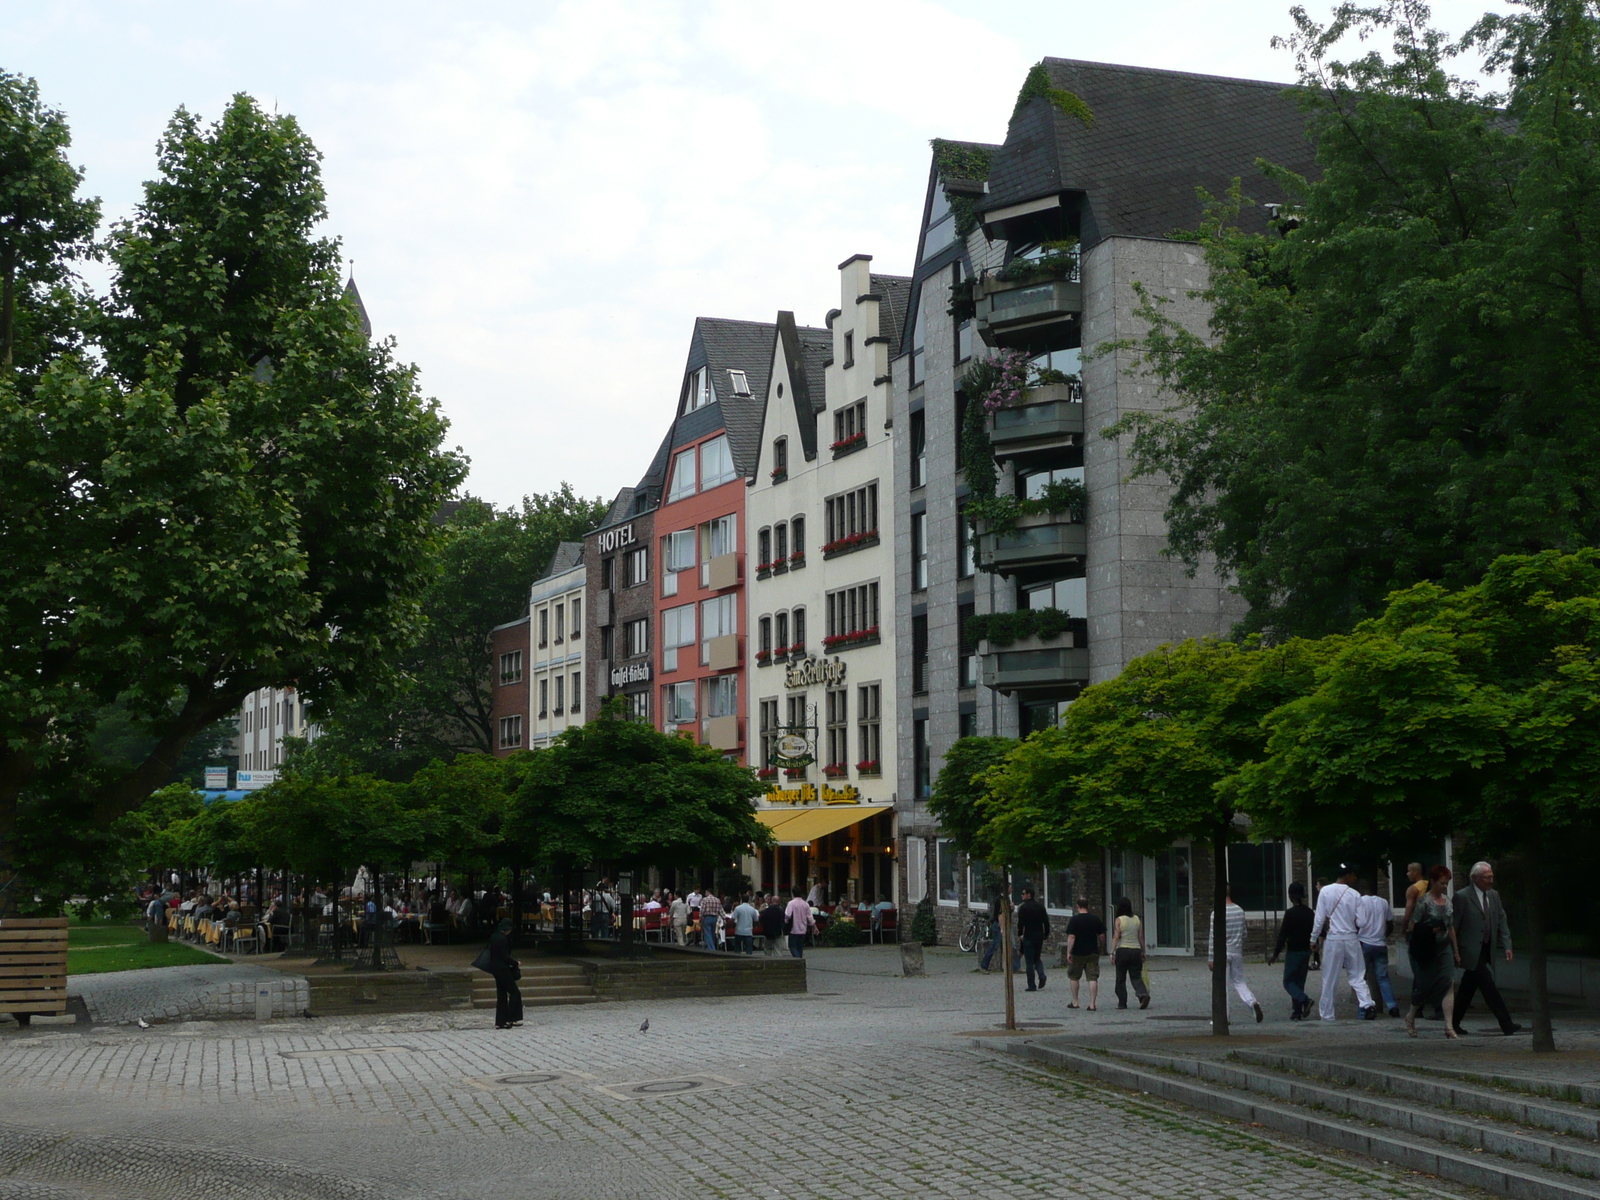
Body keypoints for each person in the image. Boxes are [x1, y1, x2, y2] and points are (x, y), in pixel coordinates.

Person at [1452, 861, 1521, 1036]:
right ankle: (1506, 1024)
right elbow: (1454, 926)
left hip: (1486, 948)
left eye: (1492, 877)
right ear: (1475, 878)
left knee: (1467, 988)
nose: (1491, 880)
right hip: (1470, 950)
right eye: (1487, 877)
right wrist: (1455, 950)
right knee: (1488, 986)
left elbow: (1501, 920)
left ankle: (1453, 1022)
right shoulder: (1462, 897)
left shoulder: (1493, 896)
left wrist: (1506, 945)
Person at [1310, 868, 1375, 1021]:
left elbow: (1319, 919)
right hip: (1351, 938)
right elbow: (1362, 922)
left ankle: (1327, 1014)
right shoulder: (1355, 894)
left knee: (1330, 977)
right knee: (1357, 975)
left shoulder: (1325, 891)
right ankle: (1366, 1004)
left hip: (1334, 938)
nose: (1355, 878)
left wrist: (1313, 939)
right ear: (1348, 876)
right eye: (1353, 875)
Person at [1404, 865, 1461, 1038]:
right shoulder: (1424, 902)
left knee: (1448, 984)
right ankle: (1411, 1016)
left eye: (1447, 883)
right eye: (1442, 883)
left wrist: (1456, 951)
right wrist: (1429, 931)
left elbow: (1451, 927)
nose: (1445, 886)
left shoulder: (1448, 901)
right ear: (1434, 882)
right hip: (1427, 949)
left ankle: (1449, 1026)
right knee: (1423, 985)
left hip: (1444, 948)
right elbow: (1413, 926)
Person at [1210, 884, 1264, 1023]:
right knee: (1239, 982)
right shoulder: (1240, 910)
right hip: (1236, 951)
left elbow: (1213, 937)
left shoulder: (1216, 913)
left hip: (1223, 952)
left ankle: (1224, 1017)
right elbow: (1244, 933)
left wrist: (1211, 957)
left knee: (1223, 986)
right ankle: (1252, 1002)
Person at [1267, 881, 1314, 1019]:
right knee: (1299, 981)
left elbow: (1283, 935)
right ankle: (1297, 1011)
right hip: (1306, 950)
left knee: (1288, 981)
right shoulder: (1309, 912)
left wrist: (1276, 954)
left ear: (1291, 896)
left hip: (1294, 950)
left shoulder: (1290, 913)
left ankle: (1304, 1000)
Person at [1356, 881, 1400, 1018]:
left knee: (1360, 979)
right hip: (1380, 944)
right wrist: (1383, 936)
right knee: (1383, 977)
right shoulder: (1383, 902)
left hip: (1364, 943)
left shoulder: (1360, 902)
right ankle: (1392, 1005)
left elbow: (1355, 923)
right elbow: (1390, 924)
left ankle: (1366, 1008)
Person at [1063, 897, 1106, 1011]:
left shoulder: (1074, 920)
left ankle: (1075, 1001)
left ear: (1077, 906)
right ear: (1088, 906)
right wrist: (1100, 947)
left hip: (1077, 952)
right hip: (1092, 951)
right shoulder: (1095, 919)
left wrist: (1069, 952)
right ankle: (1092, 1004)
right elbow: (1102, 936)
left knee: (1074, 977)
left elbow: (1071, 936)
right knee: (1092, 978)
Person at [1110, 896, 1150, 1010]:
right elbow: (1141, 937)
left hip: (1122, 951)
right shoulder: (1137, 919)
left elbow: (1116, 937)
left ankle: (1122, 1003)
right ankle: (1143, 995)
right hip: (1136, 951)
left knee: (1120, 978)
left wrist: (1111, 952)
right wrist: (1143, 951)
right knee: (1136, 976)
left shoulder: (1119, 920)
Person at [486, 918, 522, 1030]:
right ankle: (511, 1018)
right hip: (503, 969)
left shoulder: (494, 936)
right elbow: (505, 957)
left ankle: (500, 1021)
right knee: (514, 992)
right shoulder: (503, 939)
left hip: (495, 969)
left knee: (501, 995)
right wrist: (516, 963)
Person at [1015, 887, 1050, 992]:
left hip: (1029, 936)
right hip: (1039, 935)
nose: (1022, 895)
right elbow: (1046, 922)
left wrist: (1020, 934)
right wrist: (1046, 934)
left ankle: (1031, 985)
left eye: (1023, 893)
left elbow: (1021, 923)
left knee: (1029, 961)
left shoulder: (1024, 908)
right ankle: (1041, 975)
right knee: (1037, 958)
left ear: (1029, 895)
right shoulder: (1040, 907)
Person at [784, 885, 814, 957]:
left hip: (794, 928)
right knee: (800, 947)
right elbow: (809, 916)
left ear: (793, 893)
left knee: (792, 946)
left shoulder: (791, 903)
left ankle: (798, 959)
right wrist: (813, 925)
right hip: (803, 928)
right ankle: (800, 960)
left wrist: (786, 921)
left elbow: (788, 915)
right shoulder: (805, 904)